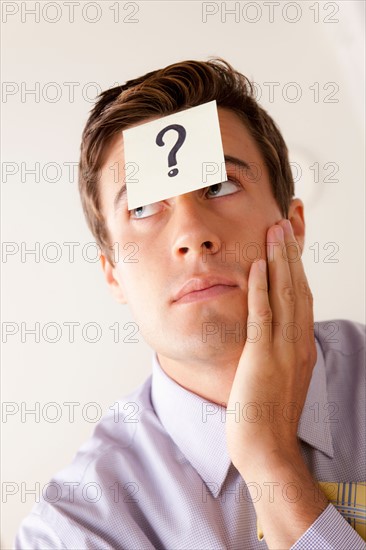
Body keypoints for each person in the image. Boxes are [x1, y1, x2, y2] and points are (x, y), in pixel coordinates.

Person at [15, 58, 365, 549]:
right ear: (112, 273)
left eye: (220, 186)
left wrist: (270, 461)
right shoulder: (72, 531)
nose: (191, 234)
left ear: (294, 227)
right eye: (142, 207)